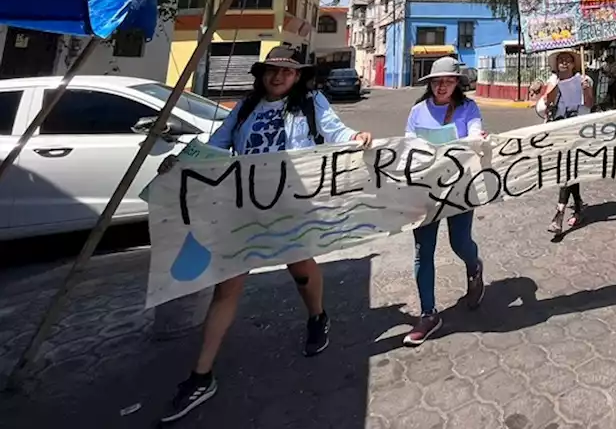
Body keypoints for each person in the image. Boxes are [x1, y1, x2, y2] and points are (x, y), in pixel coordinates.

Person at [158, 46, 372, 424]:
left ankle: (317, 317)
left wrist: (358, 139)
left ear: (297, 77)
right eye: (273, 71)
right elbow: (216, 146)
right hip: (243, 209)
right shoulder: (243, 109)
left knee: (301, 268)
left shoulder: (311, 102)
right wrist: (185, 161)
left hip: (293, 205)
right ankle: (201, 375)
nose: (278, 77)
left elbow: (338, 132)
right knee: (227, 286)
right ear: (262, 74)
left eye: (287, 73)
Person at [402, 57, 486, 345]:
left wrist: (478, 139)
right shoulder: (417, 111)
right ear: (430, 84)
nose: (442, 86)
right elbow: (407, 144)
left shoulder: (468, 108)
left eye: (448, 81)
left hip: (460, 188)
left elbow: (475, 133)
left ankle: (474, 267)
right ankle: (428, 314)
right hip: (425, 189)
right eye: (437, 81)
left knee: (460, 243)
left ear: (457, 84)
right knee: (422, 251)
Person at [541, 50, 594, 238]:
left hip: (577, 130)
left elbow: (589, 103)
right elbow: (547, 102)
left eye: (568, 60)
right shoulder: (552, 81)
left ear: (574, 64)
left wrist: (586, 88)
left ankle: (559, 213)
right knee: (569, 171)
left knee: (567, 170)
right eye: (560, 60)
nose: (564, 63)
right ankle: (578, 205)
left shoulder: (583, 79)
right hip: (559, 129)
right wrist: (556, 86)